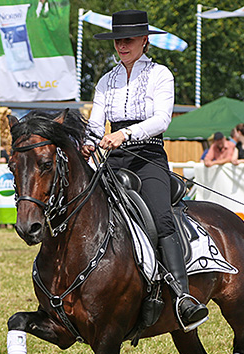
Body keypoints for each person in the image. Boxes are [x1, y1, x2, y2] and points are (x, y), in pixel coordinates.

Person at [83, 9, 208, 329]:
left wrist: (125, 134)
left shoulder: (160, 74)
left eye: (128, 39)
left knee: (162, 217)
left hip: (148, 155)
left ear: (144, 40)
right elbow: (97, 123)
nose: (122, 45)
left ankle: (182, 296)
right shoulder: (105, 81)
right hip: (113, 157)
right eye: (117, 40)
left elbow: (161, 119)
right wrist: (88, 141)